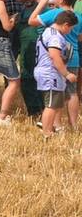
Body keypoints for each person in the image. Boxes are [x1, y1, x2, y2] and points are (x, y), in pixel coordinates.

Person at [29, 0, 80, 130]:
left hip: (52, 65)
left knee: (56, 97)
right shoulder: (78, 17)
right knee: (69, 94)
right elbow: (79, 38)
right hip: (68, 60)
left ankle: (56, 125)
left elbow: (31, 21)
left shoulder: (53, 15)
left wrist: (41, 4)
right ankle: (69, 126)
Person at [34, 10, 79, 138]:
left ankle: (49, 128)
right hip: (50, 73)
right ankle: (46, 133)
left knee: (54, 103)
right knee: (51, 105)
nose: (70, 31)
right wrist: (67, 74)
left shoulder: (47, 31)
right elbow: (54, 56)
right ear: (65, 25)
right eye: (71, 28)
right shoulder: (55, 37)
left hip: (46, 72)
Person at [17, 0, 43, 117]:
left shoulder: (42, 10)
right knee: (26, 81)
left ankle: (40, 111)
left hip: (38, 49)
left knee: (37, 81)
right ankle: (32, 112)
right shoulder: (20, 10)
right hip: (24, 49)